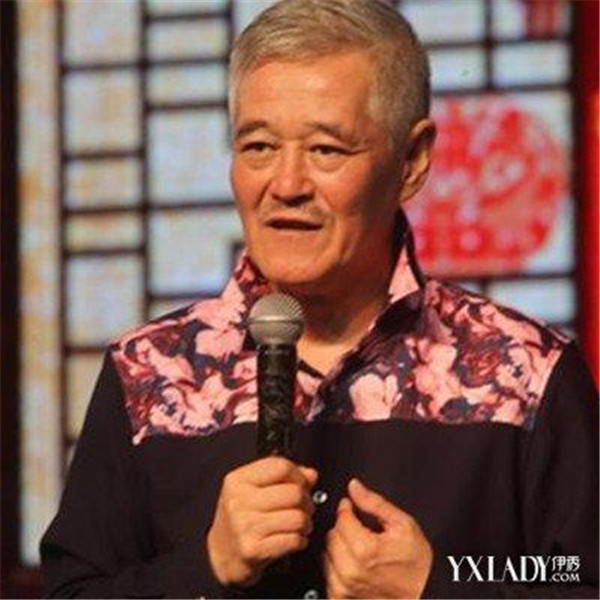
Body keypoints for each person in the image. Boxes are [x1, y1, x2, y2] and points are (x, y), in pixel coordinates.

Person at [41, 0, 598, 598]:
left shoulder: (526, 372)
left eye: (326, 150)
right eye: (258, 146)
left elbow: (577, 579)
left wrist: (437, 586)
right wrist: (206, 567)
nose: (286, 185)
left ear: (412, 162)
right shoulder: (147, 375)